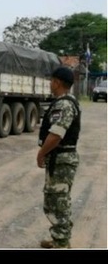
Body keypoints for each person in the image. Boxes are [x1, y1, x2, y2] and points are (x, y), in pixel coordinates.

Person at [36, 66, 81, 249]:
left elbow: (56, 135)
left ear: (57, 82)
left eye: (51, 80)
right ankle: (58, 238)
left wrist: (41, 154)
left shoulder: (64, 104)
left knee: (59, 201)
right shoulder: (64, 102)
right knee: (53, 200)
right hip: (59, 159)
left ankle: (62, 242)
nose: (49, 84)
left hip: (62, 159)